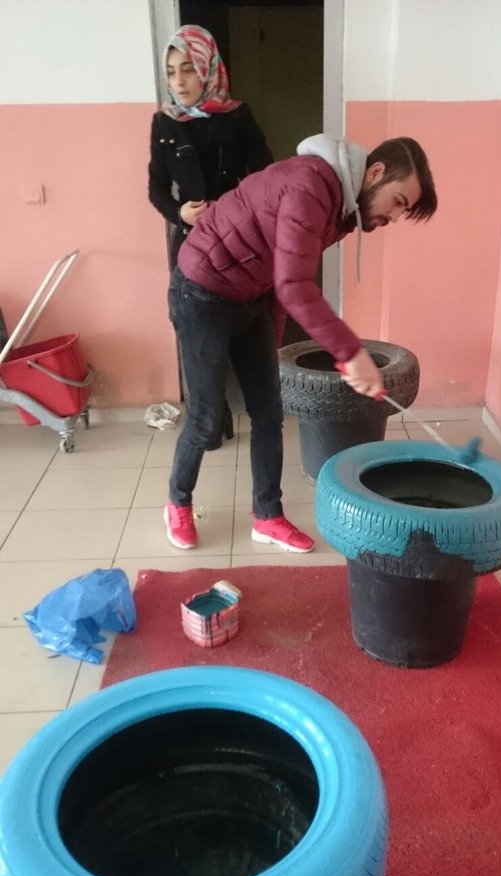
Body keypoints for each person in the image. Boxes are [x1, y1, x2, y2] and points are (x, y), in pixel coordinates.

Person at [164, 134, 437, 553]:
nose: (395, 217)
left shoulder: (341, 210)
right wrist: (350, 352)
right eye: (398, 202)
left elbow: (281, 274)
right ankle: (178, 503)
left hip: (252, 294)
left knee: (269, 413)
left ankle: (267, 516)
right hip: (202, 290)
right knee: (205, 416)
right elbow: (294, 285)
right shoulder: (310, 185)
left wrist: (270, 346)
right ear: (376, 173)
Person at [148, 24, 273, 438]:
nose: (179, 81)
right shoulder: (165, 122)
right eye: (171, 72)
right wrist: (179, 212)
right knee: (196, 334)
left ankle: (256, 408)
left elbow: (266, 176)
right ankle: (213, 417)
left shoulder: (236, 116)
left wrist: (237, 209)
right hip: (190, 244)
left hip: (239, 241)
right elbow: (155, 189)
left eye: (188, 69)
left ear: (207, 68)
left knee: (241, 323)